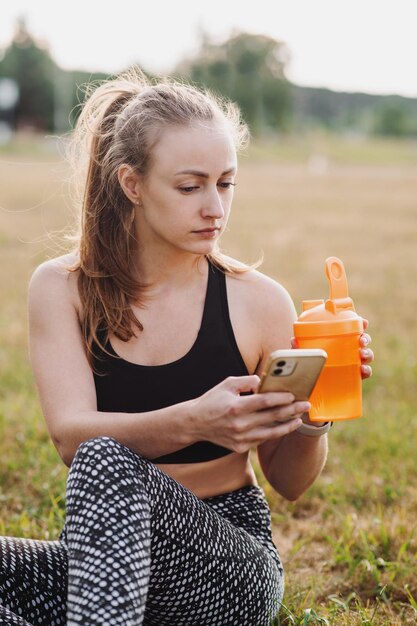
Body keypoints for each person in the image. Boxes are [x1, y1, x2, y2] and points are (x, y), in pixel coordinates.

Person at [0, 68, 373, 626]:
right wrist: (197, 420)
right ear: (131, 184)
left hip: (229, 562)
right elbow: (69, 438)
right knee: (97, 459)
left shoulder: (260, 301)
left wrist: (315, 413)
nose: (215, 208)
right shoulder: (61, 288)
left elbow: (291, 484)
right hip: (107, 557)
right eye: (189, 185)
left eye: (226, 183)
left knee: (108, 452)